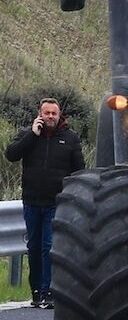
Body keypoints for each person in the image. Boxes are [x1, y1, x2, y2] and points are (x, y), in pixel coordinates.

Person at [4, 98, 84, 309]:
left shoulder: (70, 138)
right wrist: (32, 134)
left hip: (57, 202)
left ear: (59, 115)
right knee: (34, 247)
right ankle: (37, 291)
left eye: (53, 114)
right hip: (31, 201)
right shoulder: (28, 134)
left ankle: (49, 291)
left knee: (49, 247)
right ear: (40, 114)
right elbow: (11, 154)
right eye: (46, 113)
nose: (50, 117)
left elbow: (79, 170)